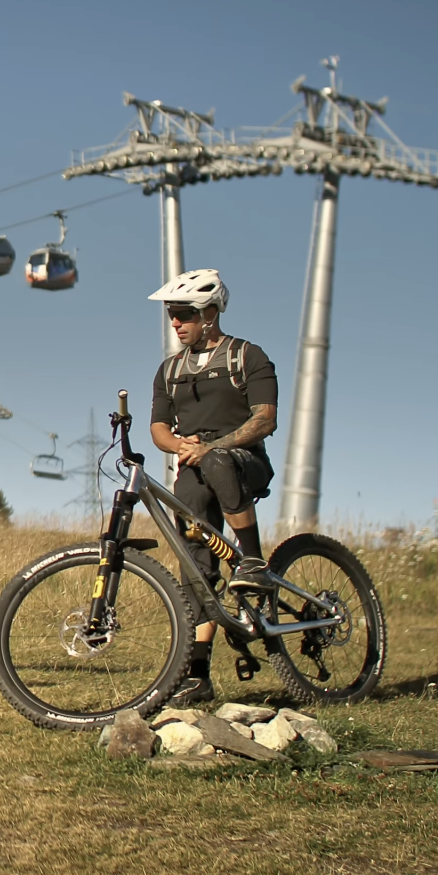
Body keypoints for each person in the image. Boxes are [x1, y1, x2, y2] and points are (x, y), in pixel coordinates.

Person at [146, 269, 278, 709]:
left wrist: (212, 447)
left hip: (244, 462)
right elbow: (159, 429)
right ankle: (198, 675)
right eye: (172, 316)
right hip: (194, 471)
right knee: (194, 567)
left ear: (209, 313)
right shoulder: (170, 371)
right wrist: (182, 445)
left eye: (183, 314)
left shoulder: (247, 356)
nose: (176, 323)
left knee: (219, 461)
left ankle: (254, 560)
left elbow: (265, 419)